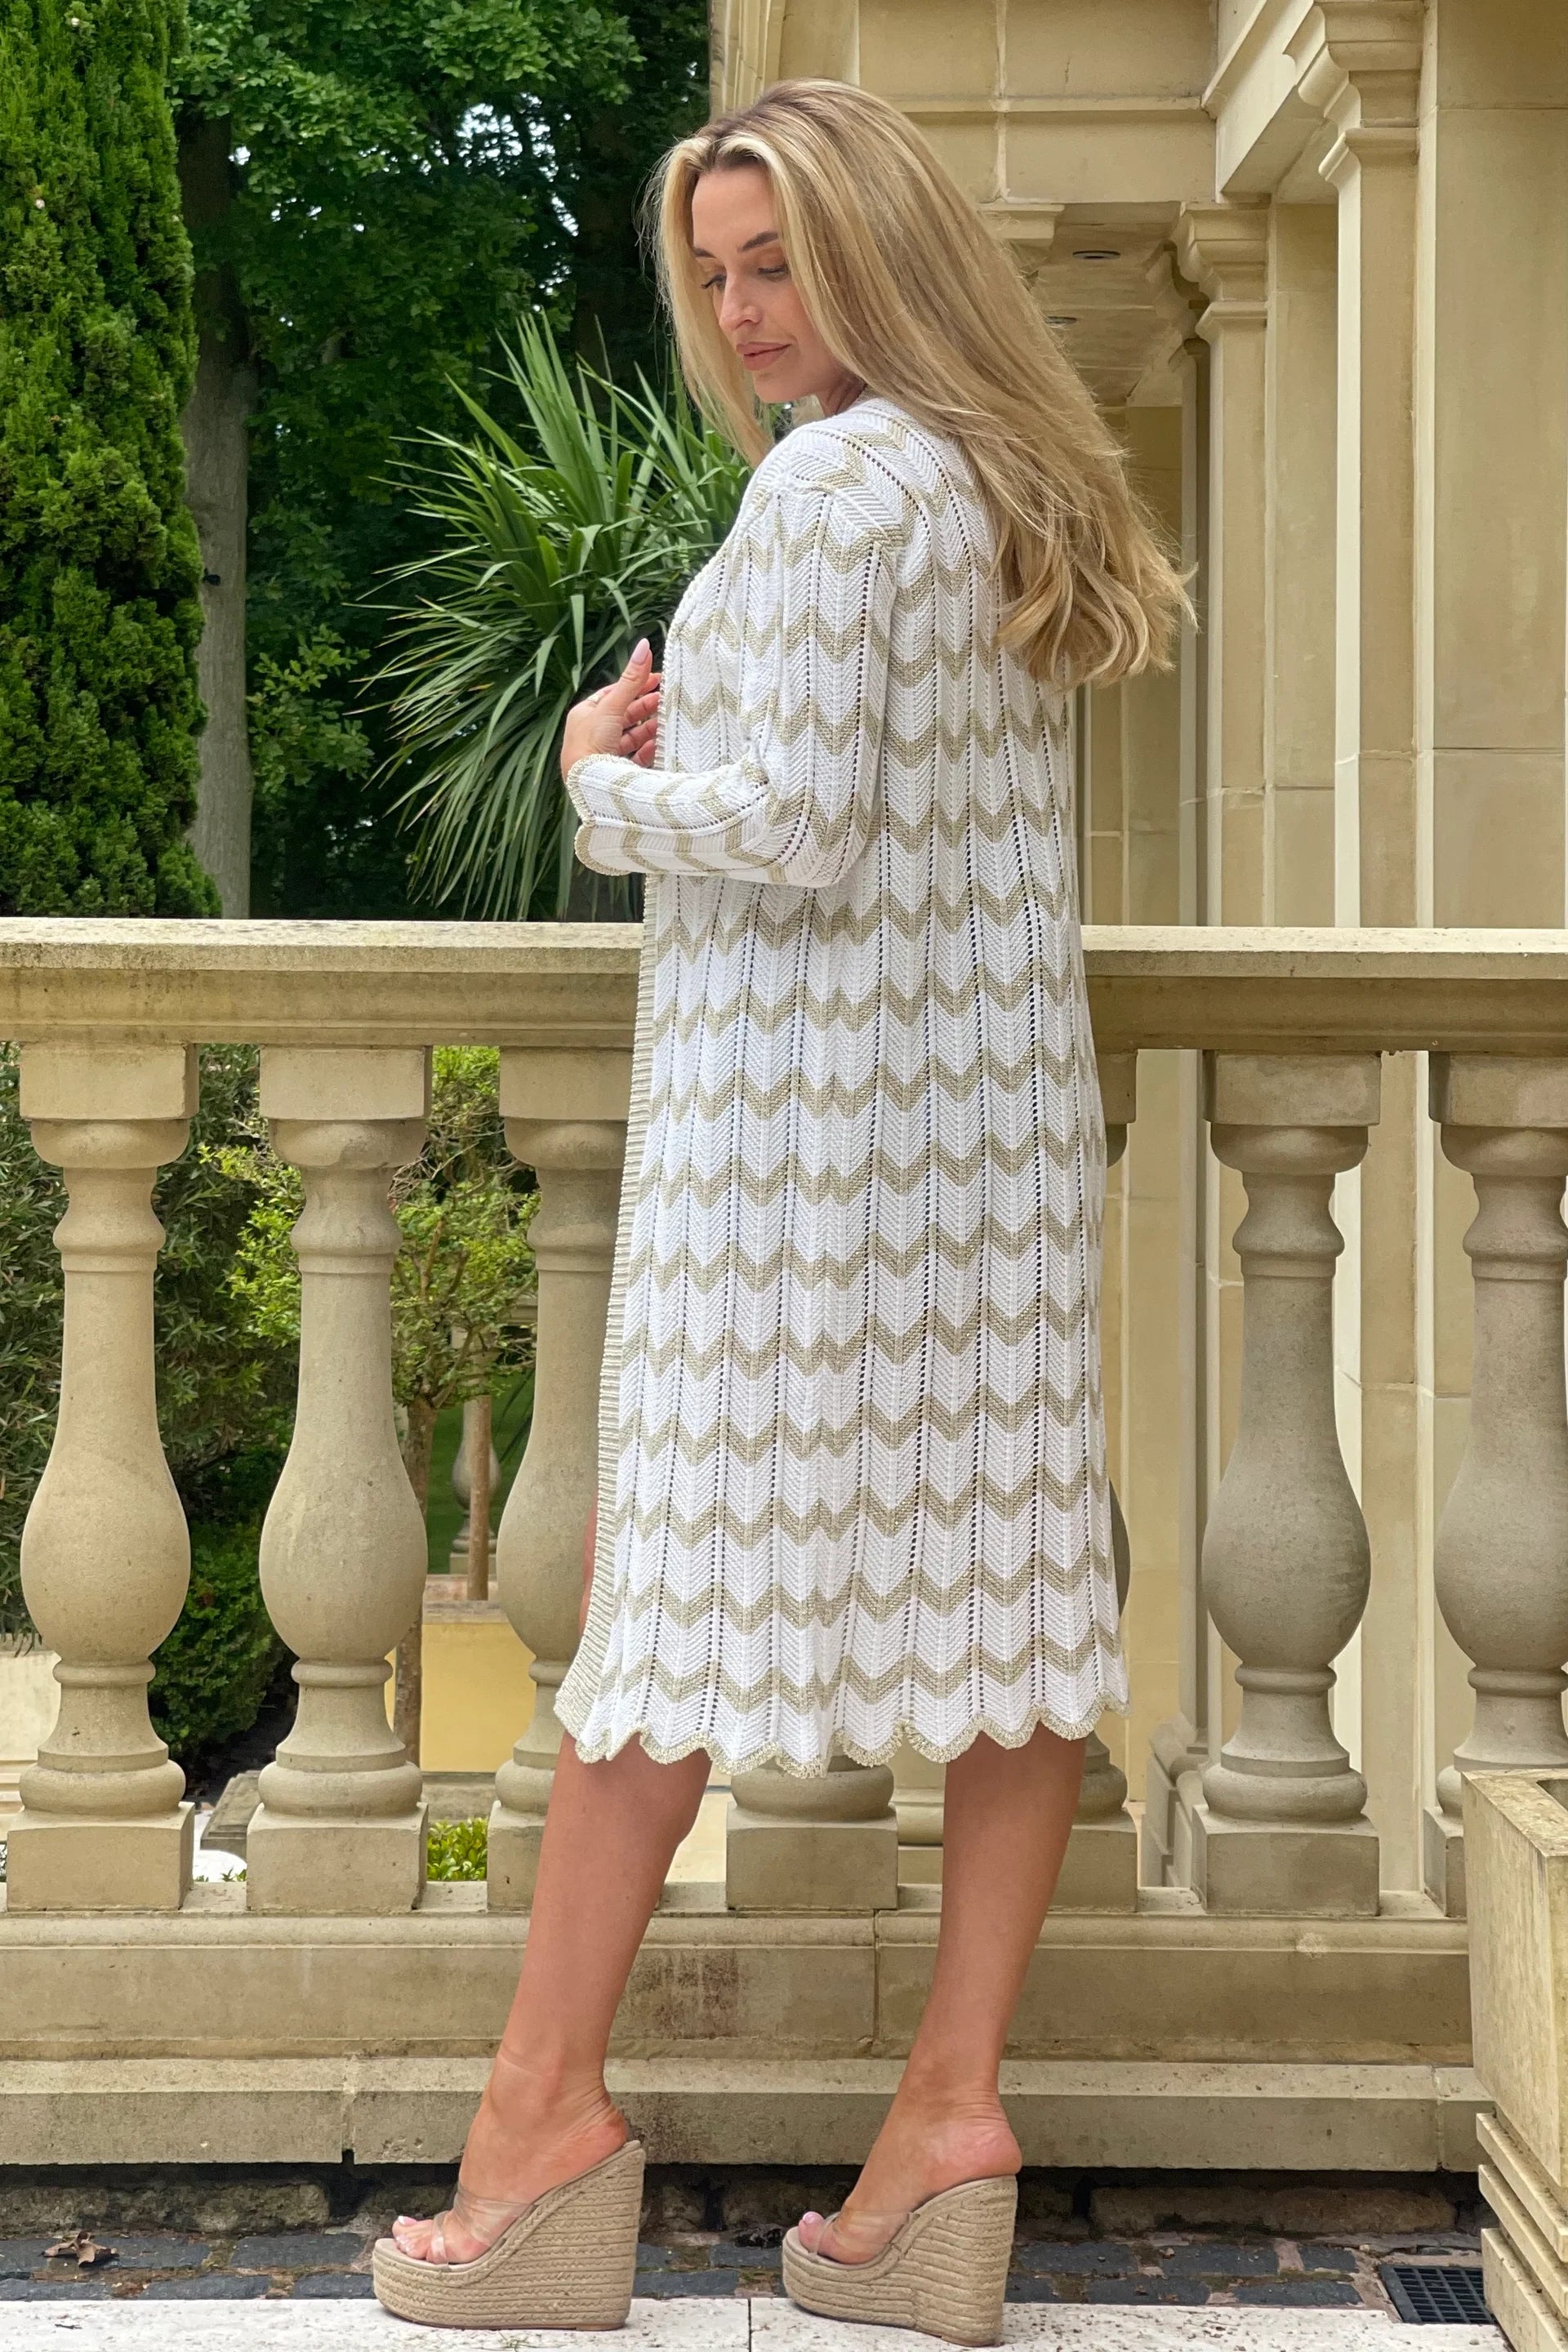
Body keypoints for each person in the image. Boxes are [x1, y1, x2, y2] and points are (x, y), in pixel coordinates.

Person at [373, 74, 1183, 2341]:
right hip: (983, 1157)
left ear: (878, 253)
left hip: (807, 1162)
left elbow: (804, 824)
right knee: (1017, 1619)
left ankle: (538, 2133)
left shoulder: (833, 488)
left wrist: (601, 785)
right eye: (717, 273)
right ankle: (947, 2130)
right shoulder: (992, 479)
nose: (741, 310)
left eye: (778, 263)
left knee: (658, 1630)